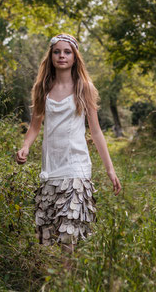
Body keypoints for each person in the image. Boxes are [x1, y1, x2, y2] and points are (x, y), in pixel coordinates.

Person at [16, 33, 122, 253]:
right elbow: (35, 126)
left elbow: (96, 131)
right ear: (51, 56)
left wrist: (110, 170)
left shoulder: (84, 88)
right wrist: (25, 147)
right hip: (51, 168)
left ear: (74, 57)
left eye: (67, 52)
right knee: (49, 231)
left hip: (76, 166)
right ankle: (59, 277)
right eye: (57, 52)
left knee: (69, 234)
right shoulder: (42, 88)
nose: (61, 56)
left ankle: (67, 279)